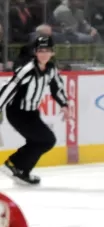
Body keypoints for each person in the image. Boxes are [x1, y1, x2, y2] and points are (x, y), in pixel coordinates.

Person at [0, 34, 68, 185]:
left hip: (32, 113)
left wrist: (64, 104)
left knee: (43, 141)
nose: (44, 54)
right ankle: (14, 164)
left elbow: (56, 87)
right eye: (41, 50)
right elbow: (10, 87)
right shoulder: (28, 70)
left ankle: (20, 170)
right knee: (46, 140)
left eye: (47, 50)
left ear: (52, 52)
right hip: (17, 113)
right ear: (35, 52)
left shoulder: (51, 68)